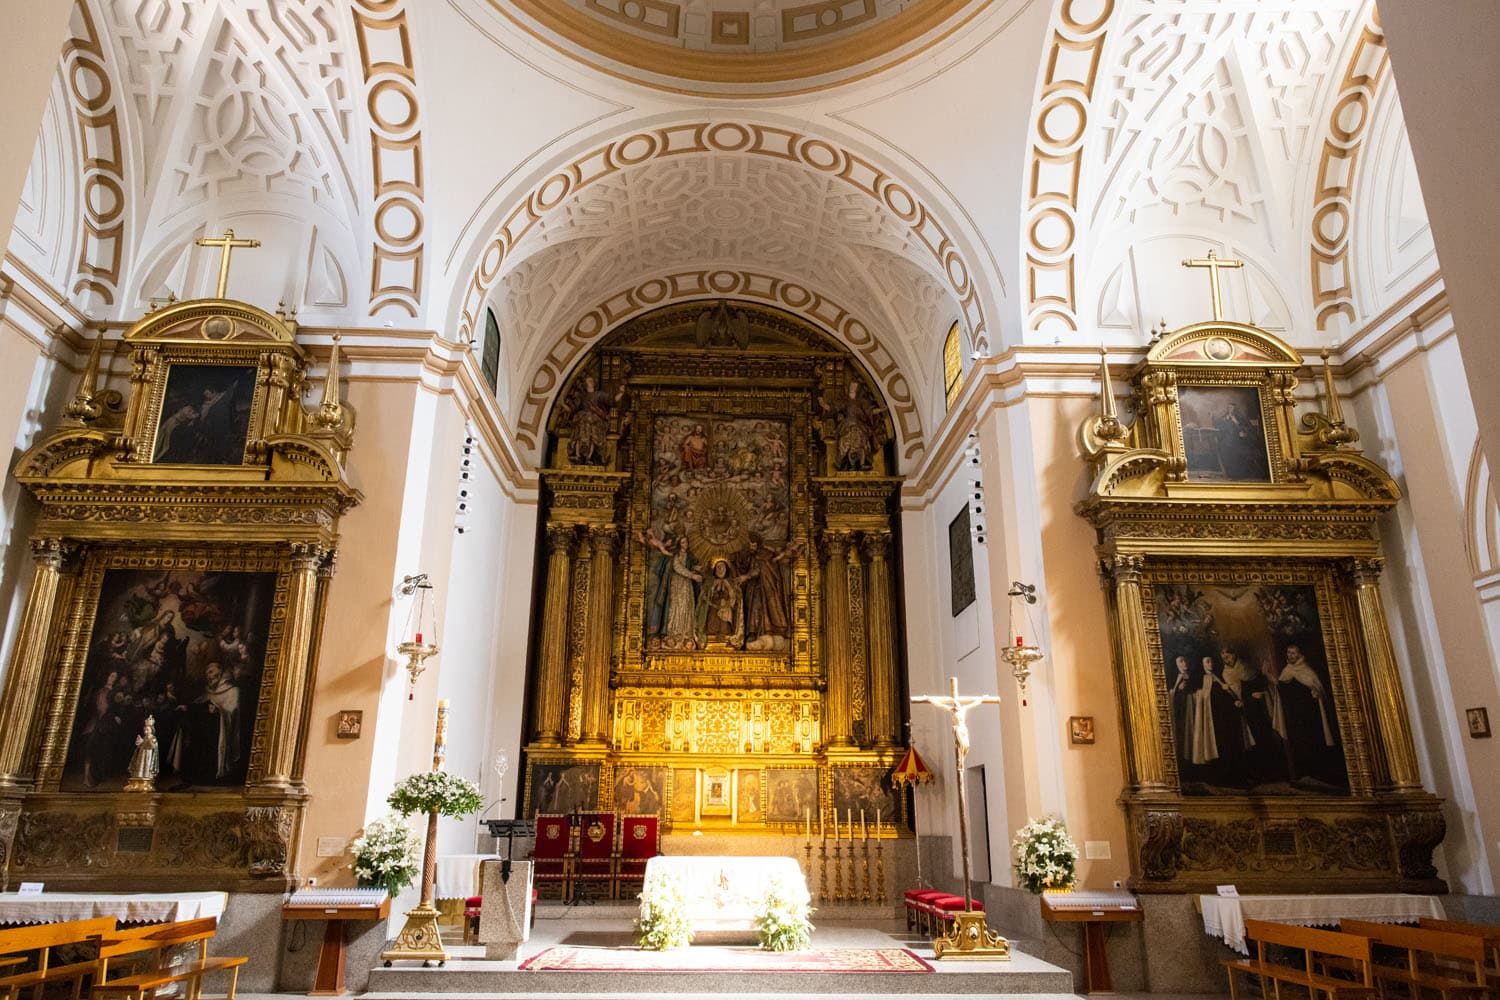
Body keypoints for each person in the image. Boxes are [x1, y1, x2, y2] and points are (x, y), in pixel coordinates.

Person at [1278, 644, 1339, 785]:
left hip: (1311, 717)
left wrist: (1316, 692)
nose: (1290, 655)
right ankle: (1304, 775)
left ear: (1299, 655)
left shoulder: (1307, 671)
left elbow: (1318, 689)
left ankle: (1319, 774)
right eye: (1288, 653)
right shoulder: (1286, 670)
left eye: (1293, 653)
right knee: (1299, 745)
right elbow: (1282, 691)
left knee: (1314, 742)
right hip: (1295, 718)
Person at [738, 535, 795, 644]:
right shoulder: (750, 556)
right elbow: (743, 566)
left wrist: (747, 576)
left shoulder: (763, 555)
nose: (751, 547)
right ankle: (751, 633)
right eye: (749, 545)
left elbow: (760, 569)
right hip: (752, 588)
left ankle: (758, 632)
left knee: (758, 608)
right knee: (750, 608)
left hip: (763, 588)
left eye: (753, 545)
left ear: (758, 545)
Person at [662, 537, 702, 649]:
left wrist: (696, 569)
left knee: (687, 606)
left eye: (687, 541)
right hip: (678, 584)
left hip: (687, 584)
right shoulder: (676, 555)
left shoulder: (689, 556)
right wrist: (692, 575)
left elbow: (688, 566)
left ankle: (687, 632)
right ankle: (675, 632)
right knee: (677, 606)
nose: (686, 544)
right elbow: (677, 567)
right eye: (683, 542)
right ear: (679, 544)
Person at [696, 558, 743, 648]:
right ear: (714, 570)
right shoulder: (709, 582)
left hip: (726, 610)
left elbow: (737, 598)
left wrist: (728, 590)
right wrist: (712, 589)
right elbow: (703, 597)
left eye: (723, 568)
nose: (720, 570)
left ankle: (726, 636)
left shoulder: (732, 582)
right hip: (712, 608)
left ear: (726, 570)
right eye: (718, 567)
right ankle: (710, 637)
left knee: (725, 627)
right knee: (711, 626)